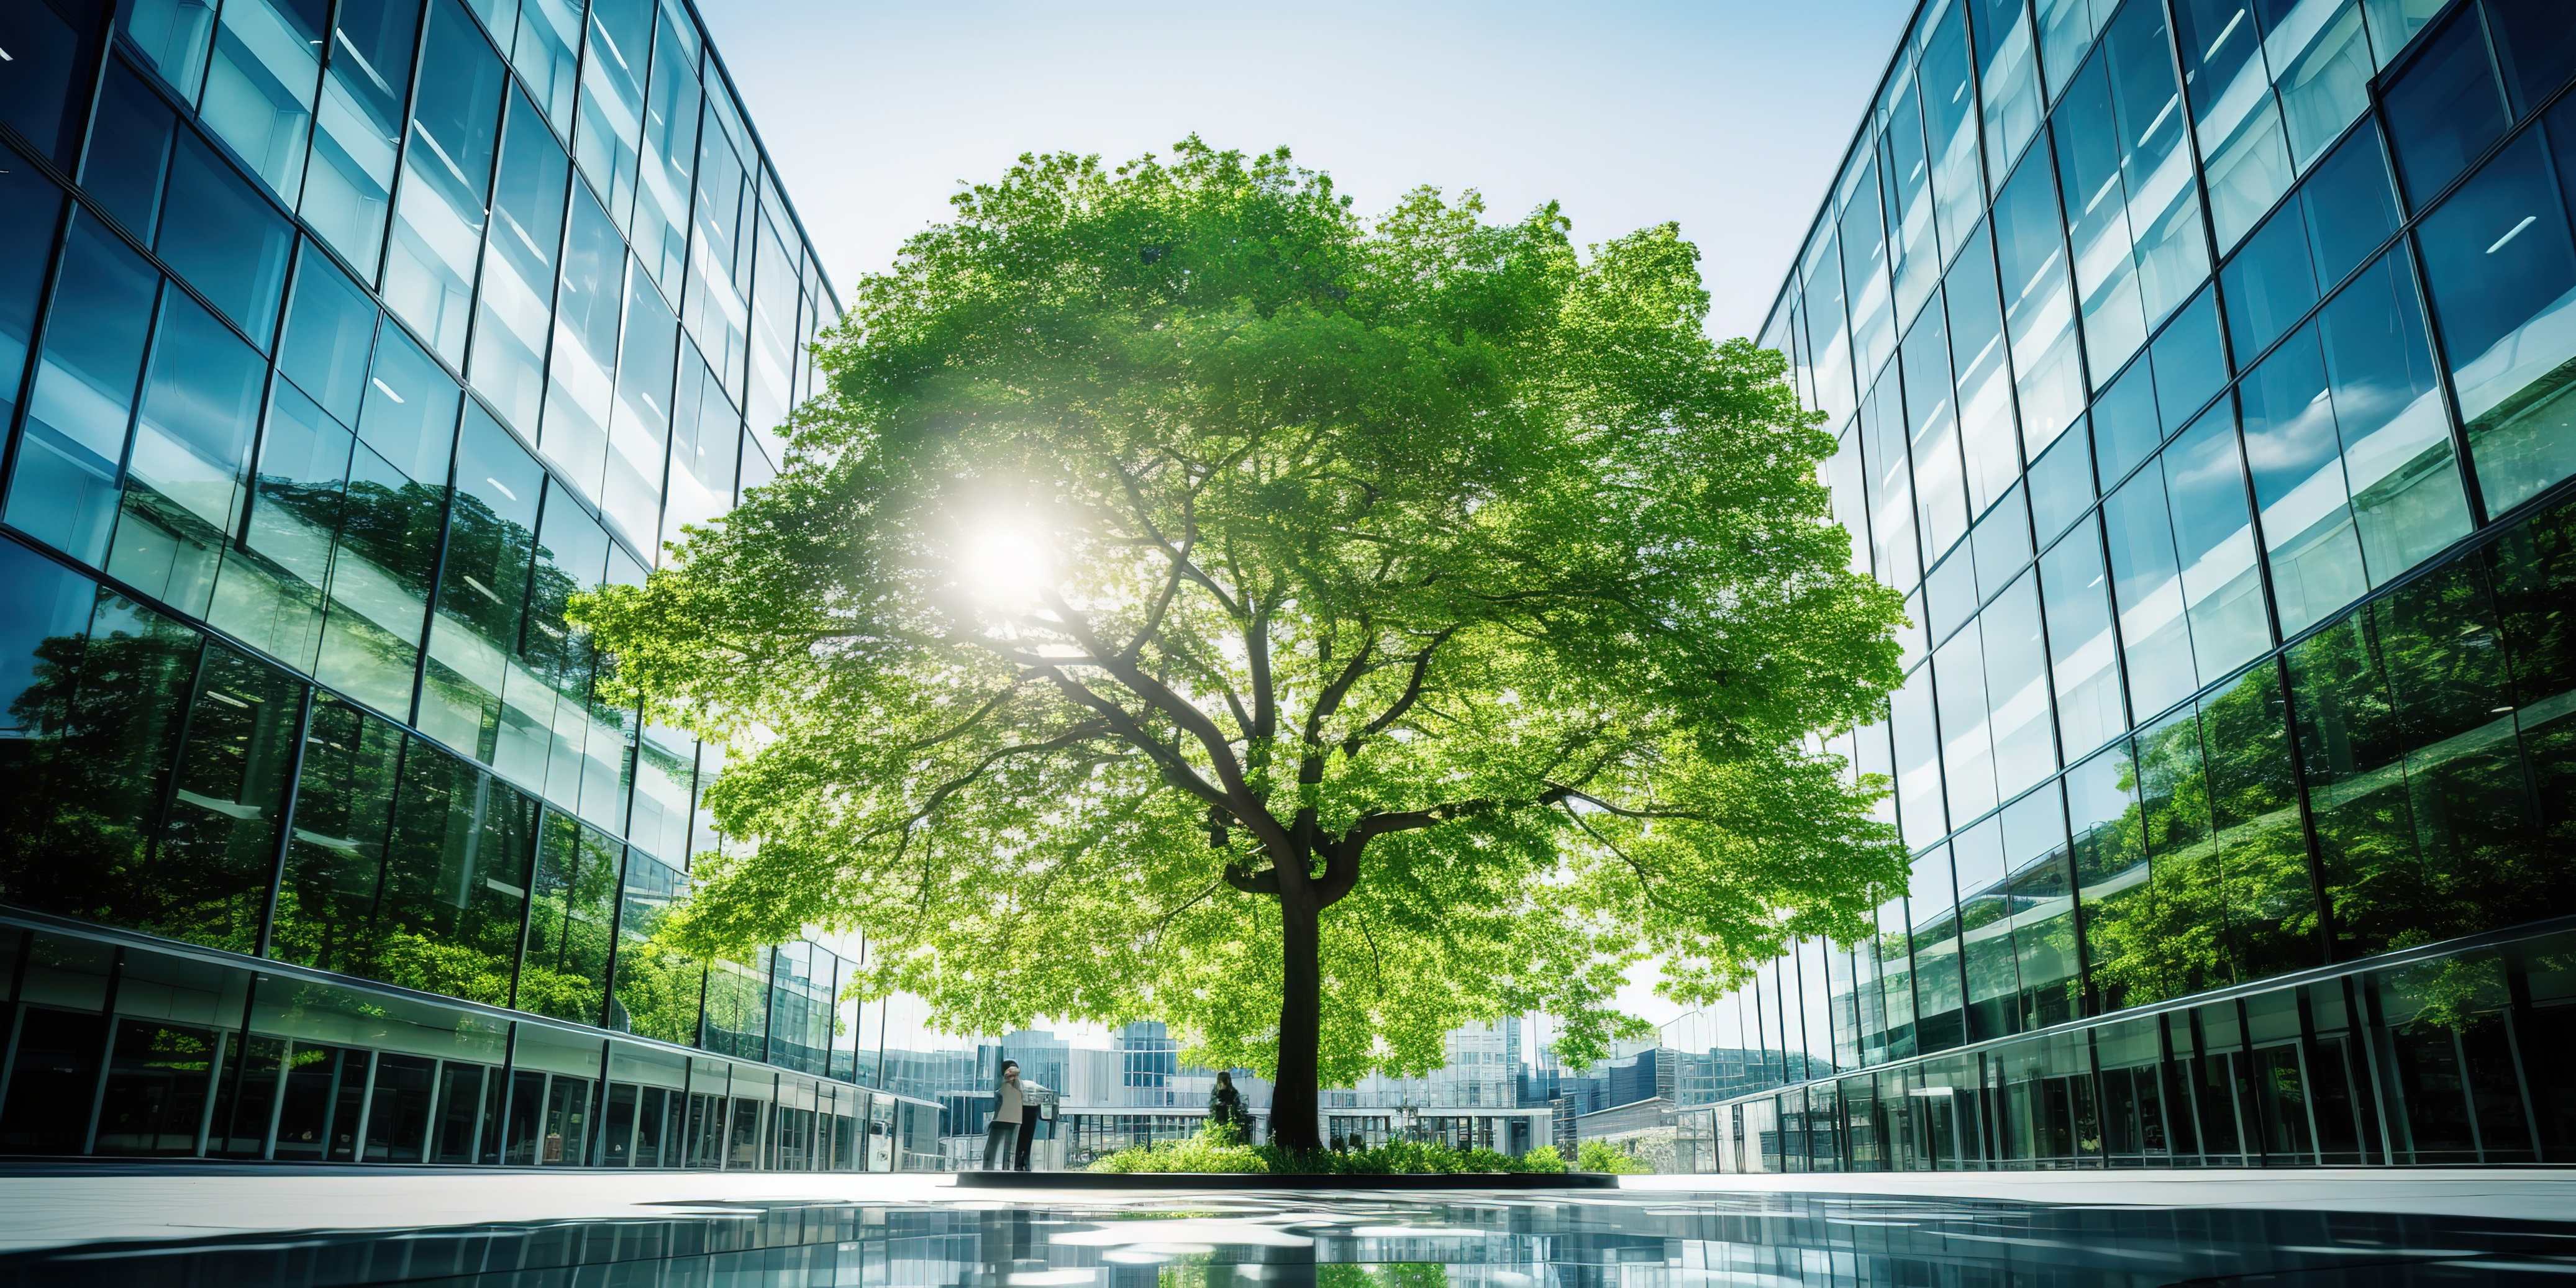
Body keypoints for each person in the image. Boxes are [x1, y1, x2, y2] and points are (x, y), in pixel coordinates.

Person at [983, 1061, 1022, 1170]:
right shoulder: (1003, 1087)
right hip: (1003, 1120)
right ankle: (989, 1171)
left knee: (1008, 1152)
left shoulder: (1016, 1088)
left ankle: (999, 1171)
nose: (1012, 1078)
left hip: (1009, 1121)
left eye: (1014, 1075)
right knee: (995, 1150)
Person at [1208, 1070, 1249, 1143]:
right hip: (1218, 1126)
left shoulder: (1234, 1093)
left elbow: (1239, 1110)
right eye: (1219, 1082)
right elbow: (1212, 1107)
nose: (1220, 1085)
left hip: (1231, 1126)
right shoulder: (1215, 1093)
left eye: (1222, 1082)